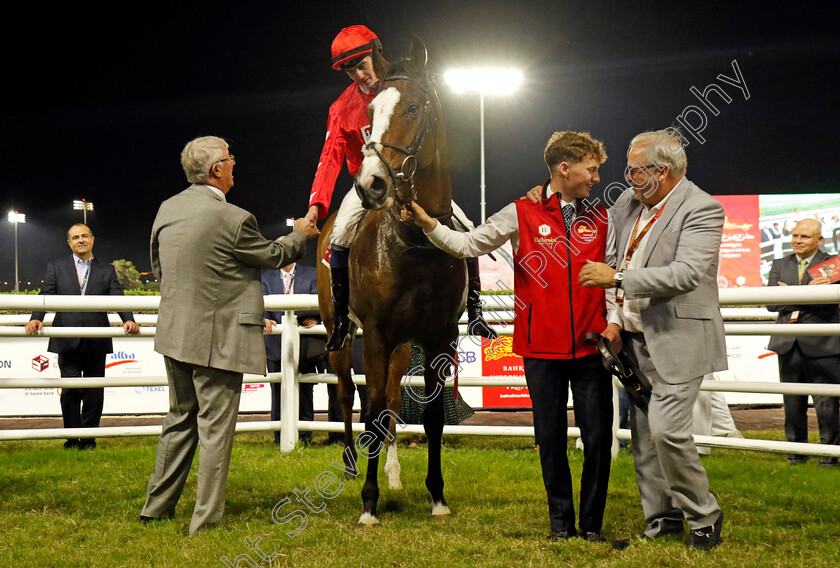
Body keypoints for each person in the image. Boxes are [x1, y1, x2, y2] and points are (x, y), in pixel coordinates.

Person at [404, 131, 616, 543]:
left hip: (592, 346)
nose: (595, 177)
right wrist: (429, 224)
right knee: (550, 439)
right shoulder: (521, 212)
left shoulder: (606, 215)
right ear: (564, 168)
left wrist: (615, 323)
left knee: (598, 438)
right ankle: (561, 526)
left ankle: (591, 526)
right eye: (591, 169)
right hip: (540, 349)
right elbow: (467, 245)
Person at [140, 136, 319, 535]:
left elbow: (158, 266)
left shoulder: (167, 208)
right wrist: (301, 234)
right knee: (215, 432)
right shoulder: (234, 218)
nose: (234, 162)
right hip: (217, 339)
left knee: (179, 419)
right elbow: (273, 257)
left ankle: (156, 508)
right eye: (229, 157)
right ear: (216, 169)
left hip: (174, 331)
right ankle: (204, 522)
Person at [578, 128, 726, 551]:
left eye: (633, 169)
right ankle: (661, 520)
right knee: (643, 439)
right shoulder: (628, 203)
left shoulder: (702, 208)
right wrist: (613, 318)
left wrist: (620, 279)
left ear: (661, 172)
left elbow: (687, 274)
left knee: (667, 433)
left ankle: (704, 515)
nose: (625, 178)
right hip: (634, 341)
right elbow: (610, 259)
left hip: (680, 340)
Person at [305, 25, 495, 352]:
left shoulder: (406, 87)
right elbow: (330, 157)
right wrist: (316, 208)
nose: (357, 74)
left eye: (361, 64)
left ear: (378, 52)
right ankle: (340, 319)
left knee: (465, 227)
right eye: (349, 69)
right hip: (371, 186)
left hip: (414, 182)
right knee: (338, 237)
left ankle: (475, 309)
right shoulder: (341, 108)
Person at [25, 223, 139, 450]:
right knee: (69, 391)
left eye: (85, 236)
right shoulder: (56, 267)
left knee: (94, 393)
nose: (81, 240)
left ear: (92, 239)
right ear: (69, 243)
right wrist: (36, 317)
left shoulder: (107, 270)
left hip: (96, 338)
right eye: (75, 237)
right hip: (66, 338)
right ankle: (72, 438)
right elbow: (46, 295)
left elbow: (117, 296)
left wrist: (129, 318)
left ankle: (88, 440)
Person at [766, 218, 840, 467]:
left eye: (805, 237)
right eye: (795, 235)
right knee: (792, 405)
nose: (797, 240)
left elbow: (830, 302)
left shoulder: (833, 264)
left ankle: (830, 459)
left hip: (824, 346)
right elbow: (771, 303)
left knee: (827, 406)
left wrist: (792, 292)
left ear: (820, 239)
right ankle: (795, 457)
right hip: (787, 344)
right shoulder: (779, 263)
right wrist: (808, 290)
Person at [262, 259, 328, 445]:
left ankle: (306, 438)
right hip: (275, 343)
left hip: (305, 343)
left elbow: (317, 302)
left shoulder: (312, 273)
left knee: (305, 392)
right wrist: (265, 318)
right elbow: (261, 303)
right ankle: (279, 437)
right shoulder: (266, 277)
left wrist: (302, 316)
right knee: (277, 392)